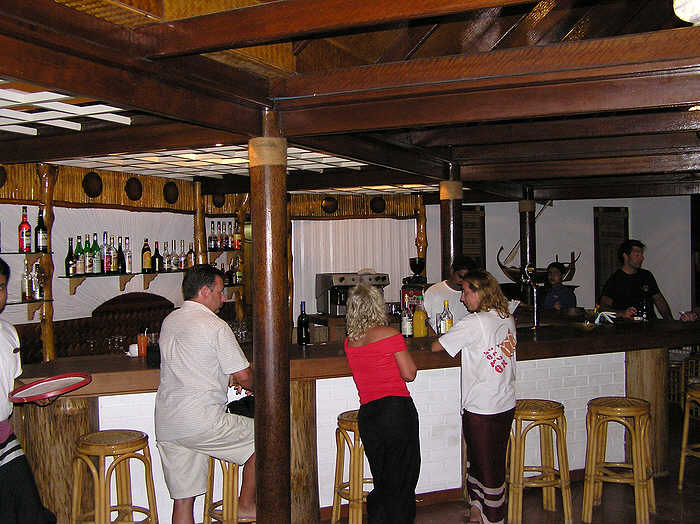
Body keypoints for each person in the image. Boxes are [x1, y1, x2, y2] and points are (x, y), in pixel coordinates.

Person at [155, 264, 255, 524]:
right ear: (204, 291)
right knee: (268, 439)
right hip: (201, 421)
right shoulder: (215, 326)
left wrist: (226, 372)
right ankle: (245, 505)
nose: (224, 298)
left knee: (184, 499)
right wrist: (256, 385)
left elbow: (195, 362)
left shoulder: (171, 320)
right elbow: (244, 376)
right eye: (221, 292)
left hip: (168, 423)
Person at [431, 270, 516, 524]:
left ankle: (494, 518)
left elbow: (438, 346)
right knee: (487, 461)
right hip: (505, 401)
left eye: (466, 291)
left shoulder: (474, 322)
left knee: (486, 466)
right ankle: (478, 508)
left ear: (480, 292)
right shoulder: (507, 317)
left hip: (482, 406)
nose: (462, 298)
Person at [344, 284, 420, 524]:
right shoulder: (389, 334)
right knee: (404, 479)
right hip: (396, 411)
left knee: (383, 478)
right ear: (378, 306)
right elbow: (409, 373)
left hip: (369, 415)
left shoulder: (350, 342)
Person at [0, 257, 56, 524]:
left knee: (31, 514)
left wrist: (38, 395)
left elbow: (11, 385)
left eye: (0, 287)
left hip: (3, 436)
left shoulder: (8, 332)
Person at [599, 239, 673, 320]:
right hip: (626, 328)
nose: (641, 258)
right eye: (637, 255)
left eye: (642, 255)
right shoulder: (615, 279)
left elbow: (659, 300)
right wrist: (622, 313)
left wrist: (670, 320)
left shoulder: (646, 275)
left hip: (650, 326)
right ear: (625, 256)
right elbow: (603, 308)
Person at [423, 255, 477, 334]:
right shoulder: (434, 291)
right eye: (460, 276)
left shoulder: (473, 294)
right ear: (452, 271)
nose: (463, 281)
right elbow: (424, 321)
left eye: (466, 278)